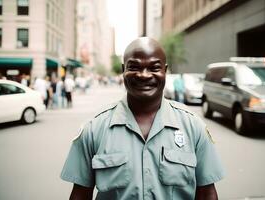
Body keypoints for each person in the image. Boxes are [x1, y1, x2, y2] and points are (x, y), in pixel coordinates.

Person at [60, 37, 224, 200]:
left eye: (154, 68)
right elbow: (80, 195)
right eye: (134, 67)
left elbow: (207, 193)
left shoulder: (193, 126)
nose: (144, 75)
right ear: (123, 70)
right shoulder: (94, 128)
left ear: (165, 71)